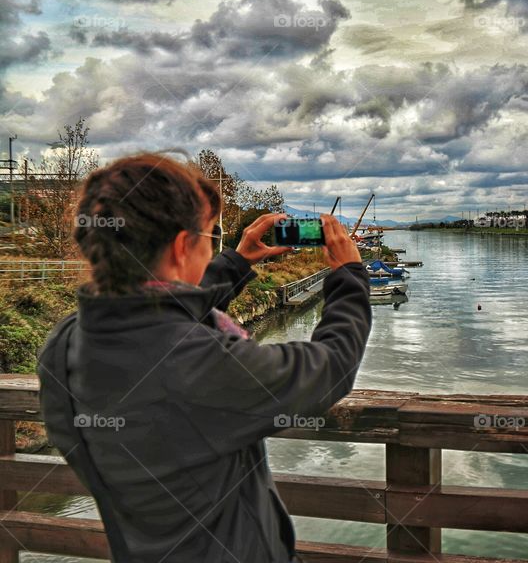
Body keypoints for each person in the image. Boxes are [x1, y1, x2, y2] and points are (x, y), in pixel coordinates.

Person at [37, 153, 371, 563]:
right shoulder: (197, 363)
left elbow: (158, 316)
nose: (214, 248)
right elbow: (331, 366)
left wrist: (234, 261)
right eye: (212, 238)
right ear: (181, 246)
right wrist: (349, 277)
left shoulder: (65, 343)